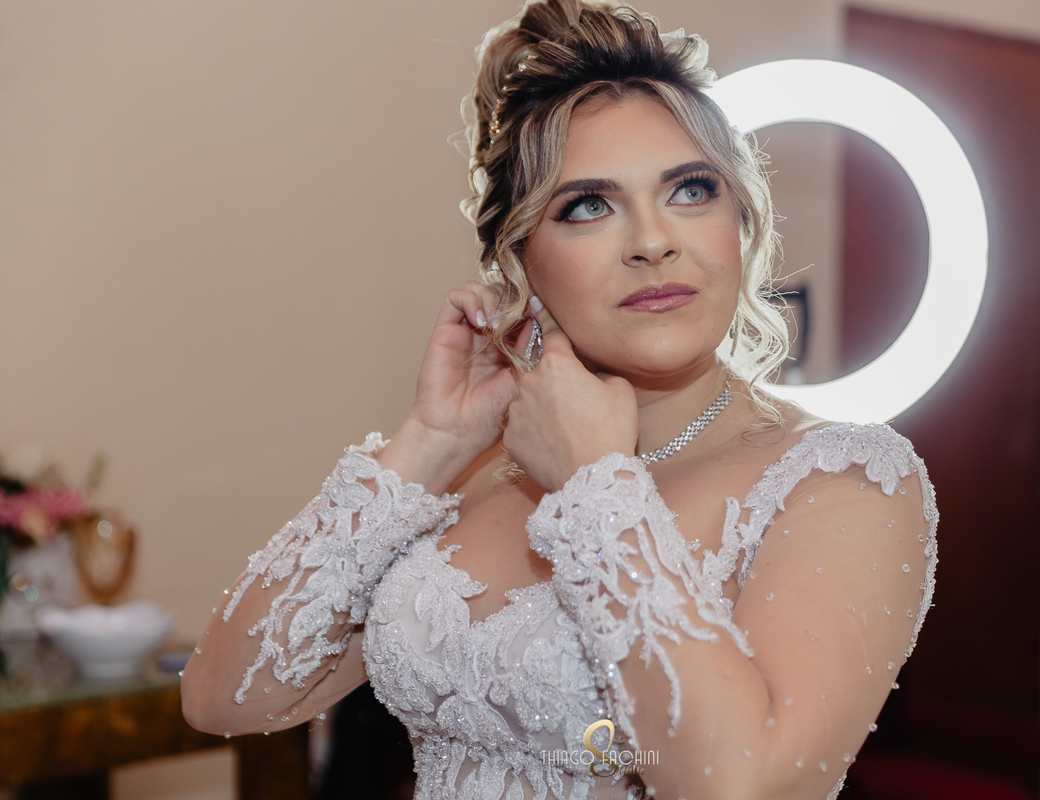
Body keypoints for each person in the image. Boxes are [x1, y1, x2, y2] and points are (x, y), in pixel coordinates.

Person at [180, 1, 939, 798]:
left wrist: (595, 488)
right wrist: (431, 441)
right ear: (521, 264)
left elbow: (741, 785)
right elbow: (225, 697)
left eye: (690, 190)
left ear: (740, 223)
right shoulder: (475, 473)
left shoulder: (843, 481)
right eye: (589, 206)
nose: (653, 241)